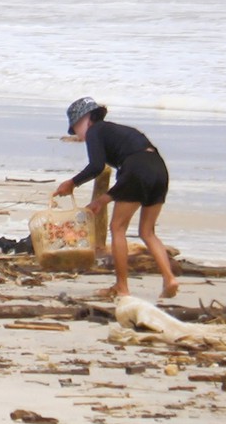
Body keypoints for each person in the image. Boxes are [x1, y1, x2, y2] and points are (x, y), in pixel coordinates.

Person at [54, 98, 177, 299]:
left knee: (117, 228)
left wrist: (72, 183)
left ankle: (122, 287)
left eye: (75, 127)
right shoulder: (118, 131)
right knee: (148, 231)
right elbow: (132, 176)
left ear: (86, 119)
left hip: (136, 168)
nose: (77, 134)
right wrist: (102, 201)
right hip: (159, 169)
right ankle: (169, 278)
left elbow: (97, 167)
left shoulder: (95, 131)